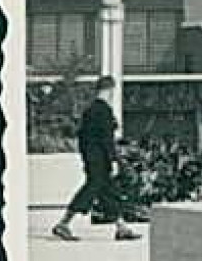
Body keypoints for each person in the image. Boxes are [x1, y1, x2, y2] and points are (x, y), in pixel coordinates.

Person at [51, 76, 139, 242]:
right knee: (92, 188)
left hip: (91, 157)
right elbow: (106, 139)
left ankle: (121, 227)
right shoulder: (104, 110)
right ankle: (63, 224)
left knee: (108, 190)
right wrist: (113, 160)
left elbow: (83, 137)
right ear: (110, 90)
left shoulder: (90, 110)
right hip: (100, 159)